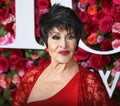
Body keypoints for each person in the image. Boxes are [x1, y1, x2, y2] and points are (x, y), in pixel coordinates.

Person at [12, 4, 112, 106]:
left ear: (76, 41)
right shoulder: (30, 77)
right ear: (45, 42)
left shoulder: (91, 84)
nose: (64, 45)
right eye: (56, 37)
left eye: (70, 37)